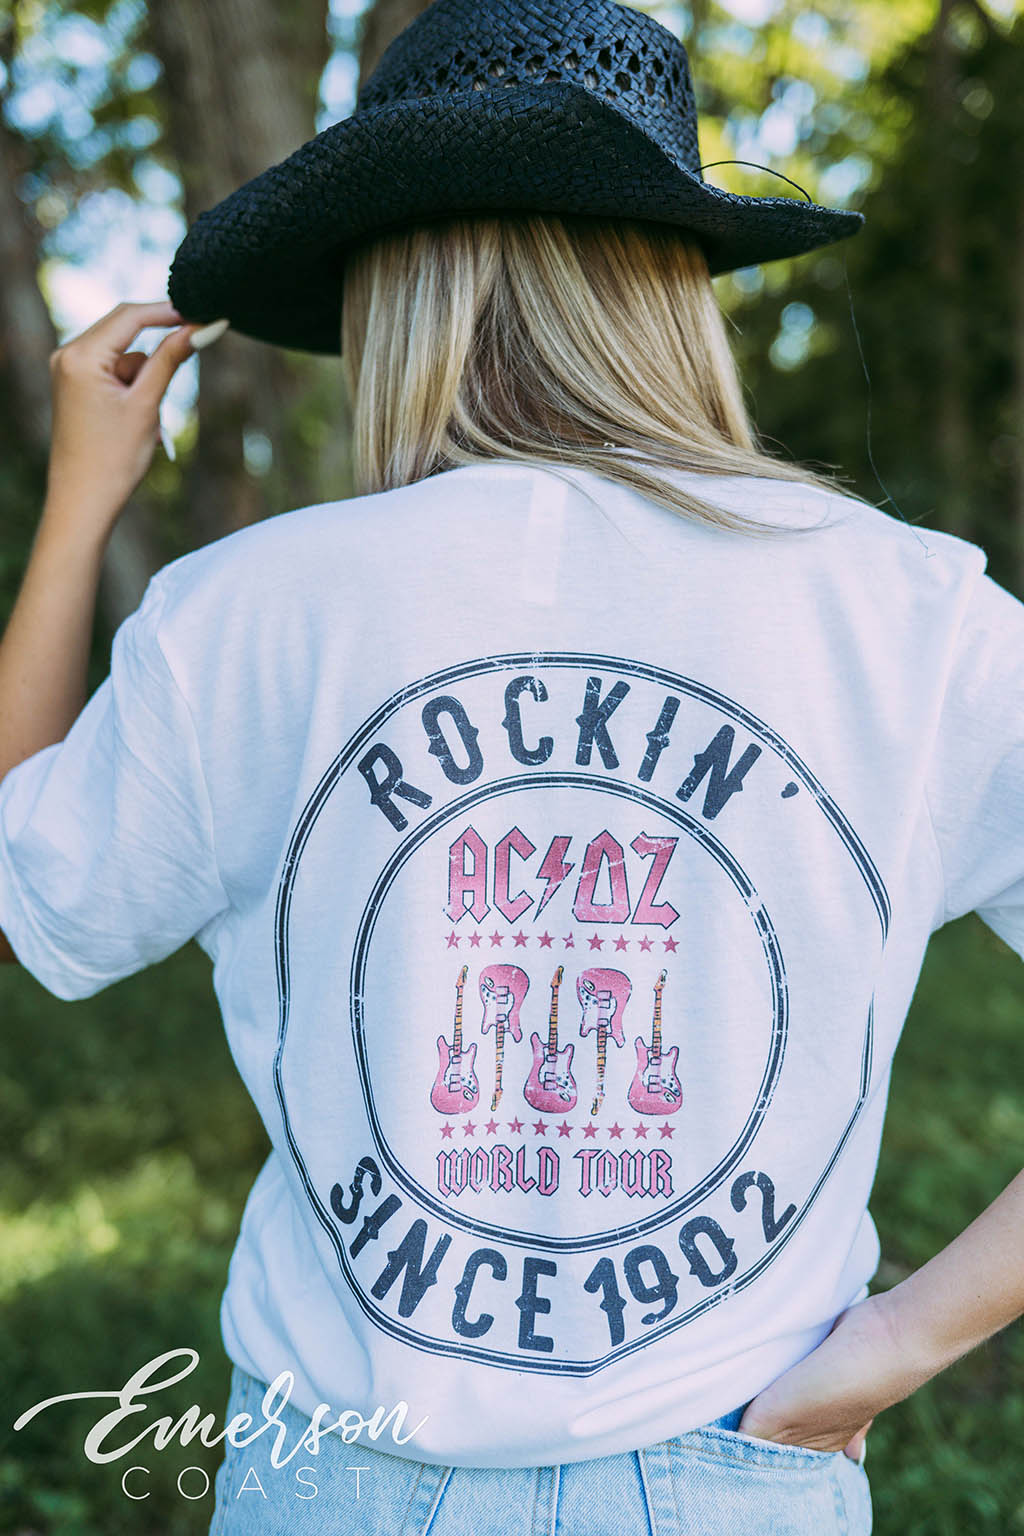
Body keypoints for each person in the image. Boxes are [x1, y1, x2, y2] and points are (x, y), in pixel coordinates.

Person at [2, 0, 1023, 1532]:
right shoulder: (913, 610)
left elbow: (22, 885)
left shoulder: (250, 611)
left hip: (332, 1474)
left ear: (386, 294)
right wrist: (890, 1349)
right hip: (734, 1472)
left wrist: (81, 503)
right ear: (674, 282)